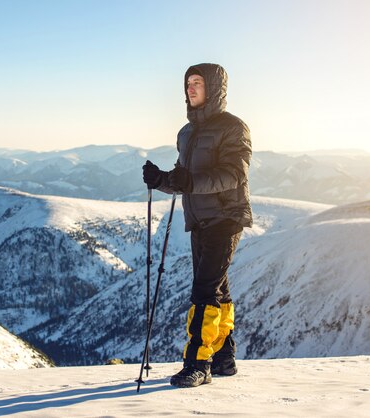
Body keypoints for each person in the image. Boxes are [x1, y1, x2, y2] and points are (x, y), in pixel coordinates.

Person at [142, 63, 252, 388]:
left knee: (204, 291)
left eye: (198, 83)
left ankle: (198, 363)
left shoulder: (234, 127)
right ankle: (224, 358)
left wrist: (188, 181)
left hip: (227, 217)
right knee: (219, 289)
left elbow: (234, 174)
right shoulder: (186, 132)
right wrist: (162, 180)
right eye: (188, 83)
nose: (191, 88)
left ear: (214, 88)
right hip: (199, 219)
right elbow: (183, 178)